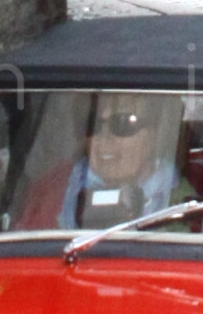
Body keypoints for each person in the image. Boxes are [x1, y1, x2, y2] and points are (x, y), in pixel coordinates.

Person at [56, 90, 186, 229]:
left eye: (123, 123)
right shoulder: (55, 194)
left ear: (153, 135)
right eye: (94, 124)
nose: (105, 138)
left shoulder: (185, 205)